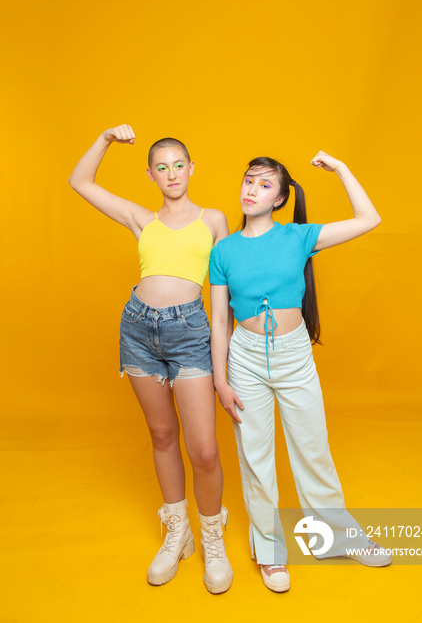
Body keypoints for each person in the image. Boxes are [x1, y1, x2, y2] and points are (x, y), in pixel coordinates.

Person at [209, 151, 392, 593]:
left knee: (313, 449)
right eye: (248, 180)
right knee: (255, 459)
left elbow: (369, 218)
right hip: (245, 358)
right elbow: (218, 321)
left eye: (265, 184)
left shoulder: (298, 236)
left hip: (293, 355)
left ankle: (337, 538)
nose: (252, 189)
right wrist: (220, 379)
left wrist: (342, 168)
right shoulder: (223, 250)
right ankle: (270, 553)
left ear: (280, 199)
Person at [69, 124, 233, 594]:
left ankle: (211, 536)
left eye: (179, 164)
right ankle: (176, 529)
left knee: (204, 450)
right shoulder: (143, 218)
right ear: (150, 175)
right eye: (161, 167)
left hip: (190, 334)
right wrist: (102, 139)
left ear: (192, 169)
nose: (172, 173)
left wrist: (232, 358)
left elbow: (226, 290)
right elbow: (81, 183)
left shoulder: (214, 220)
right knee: (162, 435)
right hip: (138, 330)